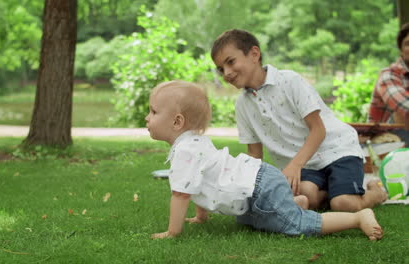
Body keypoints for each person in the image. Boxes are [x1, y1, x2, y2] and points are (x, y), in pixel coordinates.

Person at [146, 80, 383, 241]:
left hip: (260, 189)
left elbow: (181, 194)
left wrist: (173, 232)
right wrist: (200, 216)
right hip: (257, 184)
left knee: (296, 225)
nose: (148, 118)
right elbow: (197, 183)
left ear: (177, 122)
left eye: (153, 112)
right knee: (251, 220)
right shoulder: (193, 142)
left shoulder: (185, 151)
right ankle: (295, 202)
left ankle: (356, 218)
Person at [210, 29, 387, 212]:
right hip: (307, 165)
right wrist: (241, 187)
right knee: (305, 197)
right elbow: (255, 155)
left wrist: (295, 165)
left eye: (231, 62)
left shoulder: (289, 81)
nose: (227, 73)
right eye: (221, 69)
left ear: (254, 54)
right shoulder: (242, 105)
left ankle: (375, 192)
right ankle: (330, 190)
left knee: (343, 204)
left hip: (337, 150)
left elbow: (318, 130)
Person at [368, 22, 409, 145]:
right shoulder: (389, 75)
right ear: (401, 51)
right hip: (384, 142)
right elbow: (405, 106)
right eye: (408, 44)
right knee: (402, 114)